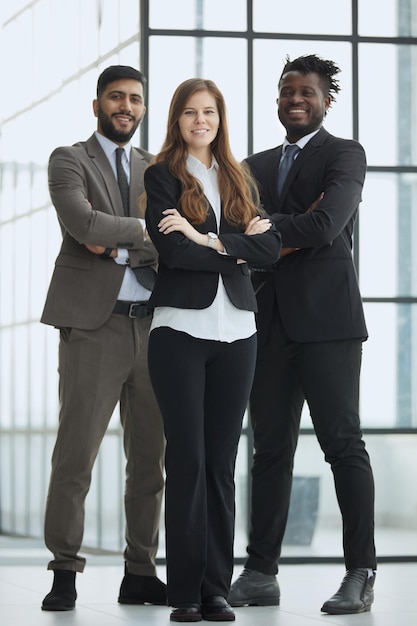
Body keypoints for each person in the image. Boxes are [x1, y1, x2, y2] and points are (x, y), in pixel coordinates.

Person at [228, 54, 377, 615]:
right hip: (265, 324)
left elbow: (327, 224)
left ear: (325, 101)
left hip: (329, 323)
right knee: (269, 450)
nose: (296, 99)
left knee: (342, 444)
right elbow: (236, 236)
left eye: (307, 92)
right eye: (288, 90)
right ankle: (261, 570)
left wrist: (268, 233)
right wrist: (282, 232)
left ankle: (360, 572)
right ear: (278, 99)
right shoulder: (250, 165)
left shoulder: (345, 154)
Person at [143, 78, 281, 622]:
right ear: (177, 120)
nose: (201, 121)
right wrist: (235, 249)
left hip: (238, 333)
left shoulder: (240, 177)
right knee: (189, 460)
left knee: (222, 464)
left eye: (210, 112)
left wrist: (205, 239)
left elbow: (269, 249)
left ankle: (215, 590)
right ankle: (183, 595)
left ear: (221, 119)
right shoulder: (161, 177)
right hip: (179, 332)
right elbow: (172, 256)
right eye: (190, 113)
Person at [40, 65, 166, 611]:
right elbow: (82, 224)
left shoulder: (156, 168)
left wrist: (117, 244)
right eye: (116, 97)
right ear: (97, 105)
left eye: (135, 100)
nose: (127, 107)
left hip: (154, 325)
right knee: (76, 456)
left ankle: (140, 570)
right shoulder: (68, 158)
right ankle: (64, 571)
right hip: (95, 326)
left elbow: (172, 239)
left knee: (150, 461)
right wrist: (138, 233)